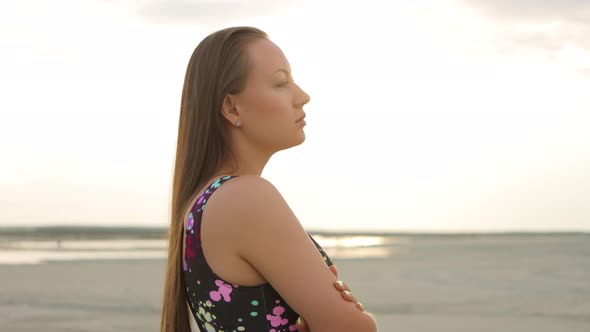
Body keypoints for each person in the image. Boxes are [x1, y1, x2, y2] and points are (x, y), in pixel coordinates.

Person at [160, 26, 377, 332]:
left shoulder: (203, 203)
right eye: (281, 83)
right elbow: (353, 328)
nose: (302, 96)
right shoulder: (246, 197)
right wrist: (355, 315)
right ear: (232, 107)